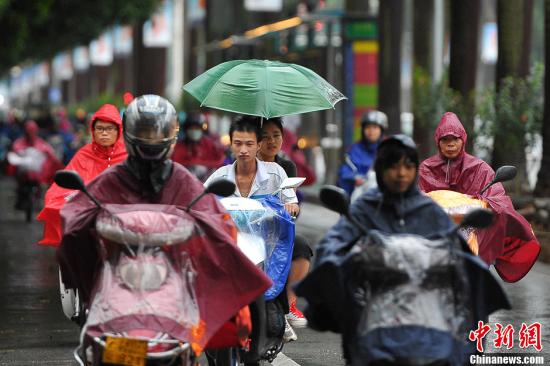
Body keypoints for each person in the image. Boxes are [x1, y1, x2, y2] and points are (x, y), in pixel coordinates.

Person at [58, 95, 270, 349]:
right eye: (146, 131)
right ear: (131, 132)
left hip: (174, 272)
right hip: (117, 274)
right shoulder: (112, 179)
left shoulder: (180, 178)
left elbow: (215, 220)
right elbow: (77, 214)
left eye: (158, 132)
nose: (152, 138)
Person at [297, 135, 510, 365]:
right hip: (374, 307)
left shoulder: (428, 209)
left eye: (408, 166)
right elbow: (335, 242)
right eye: (393, 166)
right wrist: (338, 264)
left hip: (426, 308)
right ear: (380, 169)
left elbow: (456, 249)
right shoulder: (365, 208)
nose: (401, 174)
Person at [204, 116, 300, 342]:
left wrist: (290, 206)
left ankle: (280, 312)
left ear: (258, 145)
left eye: (249, 144)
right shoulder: (220, 176)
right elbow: (201, 199)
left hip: (267, 243)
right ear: (231, 144)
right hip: (230, 243)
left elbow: (290, 200)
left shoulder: (276, 172)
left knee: (287, 257)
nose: (243, 150)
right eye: (238, 143)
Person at [418, 112, 540, 282]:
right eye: (445, 140)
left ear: (463, 140)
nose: (450, 144)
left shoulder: (479, 168)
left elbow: (498, 198)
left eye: (455, 139)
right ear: (438, 141)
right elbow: (414, 197)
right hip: (436, 232)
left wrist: (484, 203)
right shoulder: (426, 168)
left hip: (474, 232)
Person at [37, 104, 127, 247]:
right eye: (100, 128)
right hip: (88, 215)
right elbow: (63, 186)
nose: (104, 133)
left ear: (118, 130)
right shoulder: (84, 154)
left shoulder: (128, 156)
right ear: (93, 130)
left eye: (109, 129)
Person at [257, 117, 312, 332]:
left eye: (276, 135)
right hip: (247, 229)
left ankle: (289, 305)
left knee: (301, 246)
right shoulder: (242, 164)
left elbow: (291, 201)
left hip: (276, 230)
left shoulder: (286, 166)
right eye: (265, 136)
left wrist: (291, 207)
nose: (271, 141)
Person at [9, 120, 63, 209]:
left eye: (32, 130)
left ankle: (39, 197)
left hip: (37, 172)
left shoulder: (40, 142)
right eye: (29, 131)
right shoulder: (20, 142)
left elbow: (48, 151)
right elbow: (15, 149)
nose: (31, 133)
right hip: (24, 172)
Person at [337, 110, 387, 196]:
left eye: (375, 127)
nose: (371, 131)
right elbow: (345, 171)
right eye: (367, 127)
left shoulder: (390, 147)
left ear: (381, 130)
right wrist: (354, 178)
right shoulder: (354, 149)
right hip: (359, 195)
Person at [171, 113, 225, 181]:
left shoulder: (209, 145)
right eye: (192, 128)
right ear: (186, 129)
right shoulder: (178, 146)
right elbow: (173, 164)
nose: (194, 131)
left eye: (197, 128)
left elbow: (219, 161)